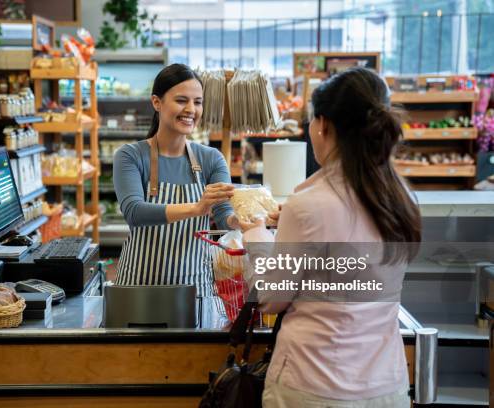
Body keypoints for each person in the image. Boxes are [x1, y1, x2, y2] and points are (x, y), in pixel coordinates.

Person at [242, 67, 421, 407]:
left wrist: (255, 232)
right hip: (386, 385)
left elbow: (270, 297)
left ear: (323, 124)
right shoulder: (402, 199)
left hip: (313, 385)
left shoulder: (308, 204)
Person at [113, 64, 240, 297]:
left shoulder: (211, 159)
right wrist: (197, 208)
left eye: (198, 102)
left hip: (195, 289)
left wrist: (248, 221)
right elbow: (135, 213)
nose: (191, 109)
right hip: (139, 288)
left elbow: (224, 218)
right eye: (182, 100)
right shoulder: (130, 156)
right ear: (156, 103)